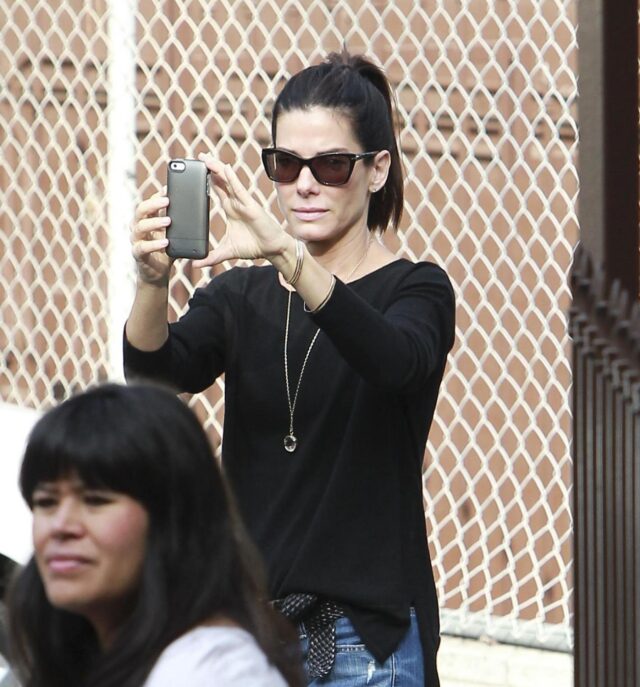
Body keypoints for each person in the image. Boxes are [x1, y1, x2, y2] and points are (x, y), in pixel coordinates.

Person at [125, 49, 456, 686]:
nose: (304, 184)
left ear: (377, 170)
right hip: (250, 635)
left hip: (367, 643)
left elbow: (394, 361)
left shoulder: (417, 290)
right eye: (285, 164)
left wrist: (286, 255)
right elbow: (154, 378)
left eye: (331, 165)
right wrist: (150, 281)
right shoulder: (240, 296)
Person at [6, 383, 302, 687]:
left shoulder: (214, 671)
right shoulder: (81, 651)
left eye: (95, 500)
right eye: (46, 502)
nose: (60, 526)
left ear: (174, 518)